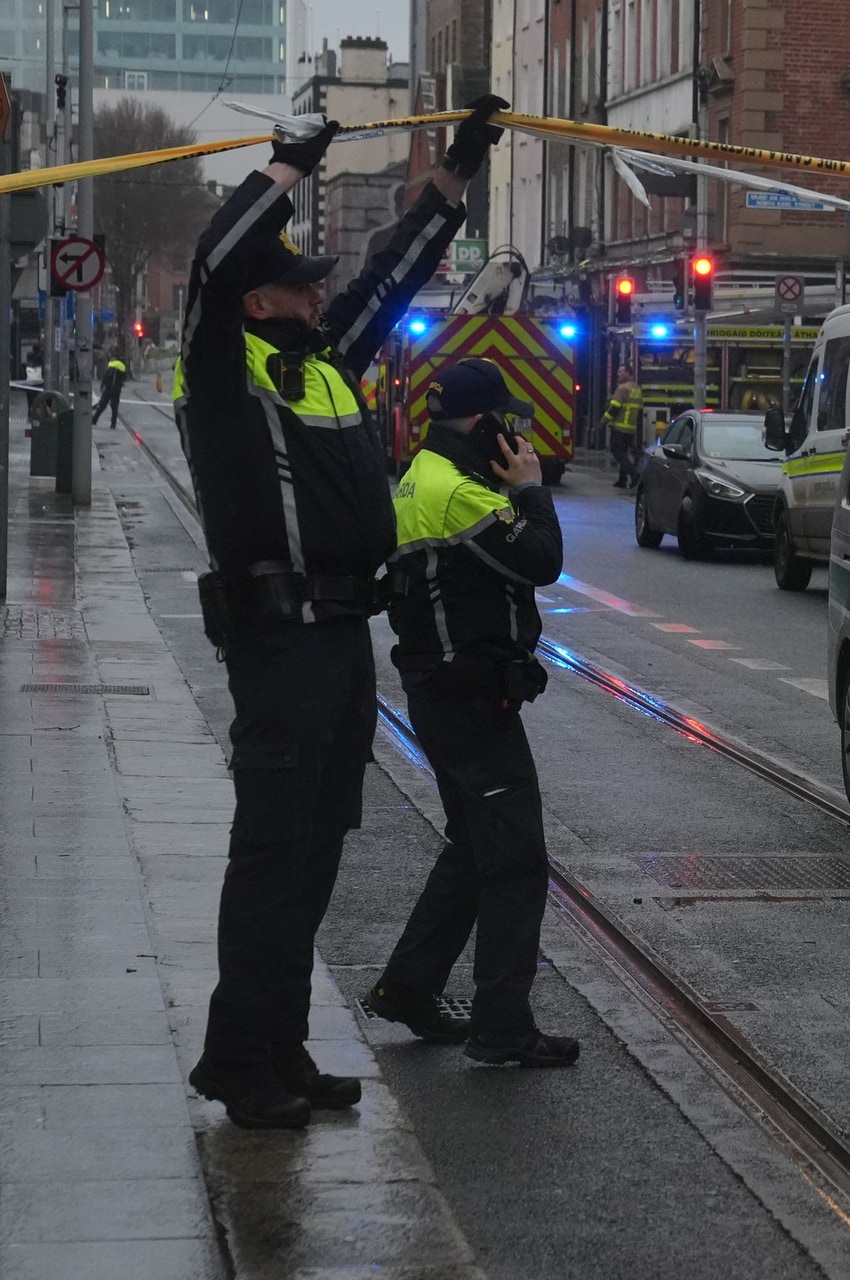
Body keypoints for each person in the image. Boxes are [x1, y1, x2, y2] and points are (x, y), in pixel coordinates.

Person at [177, 97, 510, 1129]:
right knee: (274, 854)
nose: (318, 296)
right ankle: (239, 1059)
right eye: (298, 284)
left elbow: (390, 276)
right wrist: (287, 166)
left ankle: (280, 1044)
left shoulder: (323, 365)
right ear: (258, 300)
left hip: (339, 641)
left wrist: (455, 174)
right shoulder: (222, 367)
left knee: (316, 852)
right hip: (278, 641)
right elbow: (210, 263)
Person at [365, 358, 578, 1068]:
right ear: (481, 423)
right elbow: (541, 559)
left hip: (447, 690)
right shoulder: (456, 493)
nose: (515, 431)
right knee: (515, 859)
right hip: (468, 698)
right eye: (506, 419)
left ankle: (408, 987)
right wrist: (531, 489)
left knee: (474, 847)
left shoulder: (425, 474)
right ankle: (502, 1026)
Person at [604, 370, 643, 488]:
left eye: (621, 372)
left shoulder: (622, 388)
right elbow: (639, 409)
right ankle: (622, 480)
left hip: (620, 427)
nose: (618, 374)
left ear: (628, 373)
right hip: (630, 428)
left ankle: (633, 472)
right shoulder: (637, 389)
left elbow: (614, 408)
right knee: (624, 453)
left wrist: (604, 420)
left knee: (617, 452)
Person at [92, 354, 128, 428]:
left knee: (102, 405)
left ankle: (94, 420)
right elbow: (124, 378)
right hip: (116, 390)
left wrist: (102, 386)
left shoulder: (111, 367)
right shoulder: (121, 367)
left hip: (109, 389)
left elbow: (105, 378)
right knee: (114, 407)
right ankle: (113, 424)